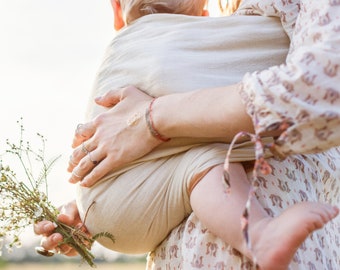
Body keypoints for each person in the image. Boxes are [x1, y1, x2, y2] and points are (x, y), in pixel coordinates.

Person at [35, 0, 340, 269]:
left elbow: (320, 91)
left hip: (132, 214)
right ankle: (259, 235)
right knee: (205, 158)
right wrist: (103, 192)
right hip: (143, 218)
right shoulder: (206, 36)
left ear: (117, 11)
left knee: (203, 156)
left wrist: (149, 123)